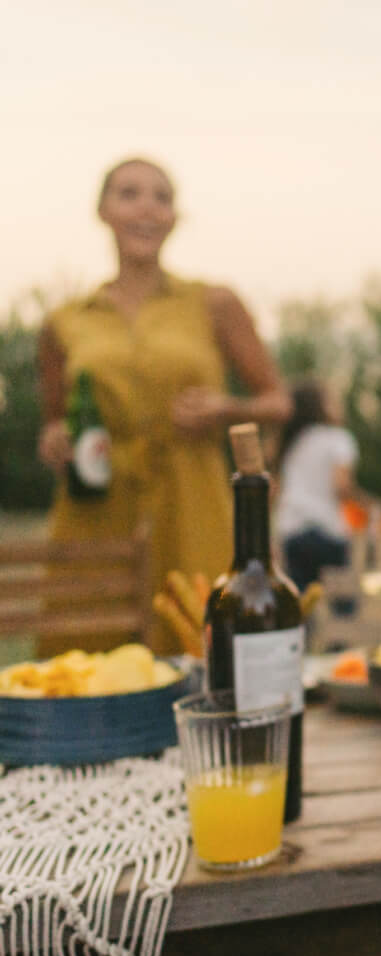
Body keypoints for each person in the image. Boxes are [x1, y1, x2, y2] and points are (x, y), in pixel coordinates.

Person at [36, 157, 291, 655]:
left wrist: (223, 408)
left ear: (175, 217)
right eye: (129, 194)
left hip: (193, 500)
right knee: (87, 663)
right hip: (96, 511)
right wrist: (53, 439)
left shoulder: (213, 302)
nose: (146, 208)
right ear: (103, 211)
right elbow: (55, 422)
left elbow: (278, 402)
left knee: (206, 650)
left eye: (161, 196)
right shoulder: (64, 322)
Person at [275, 379, 363, 593]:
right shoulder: (338, 438)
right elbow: (341, 486)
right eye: (333, 400)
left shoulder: (292, 442)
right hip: (326, 531)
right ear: (320, 407)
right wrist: (366, 505)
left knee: (303, 603)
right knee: (343, 605)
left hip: (292, 532)